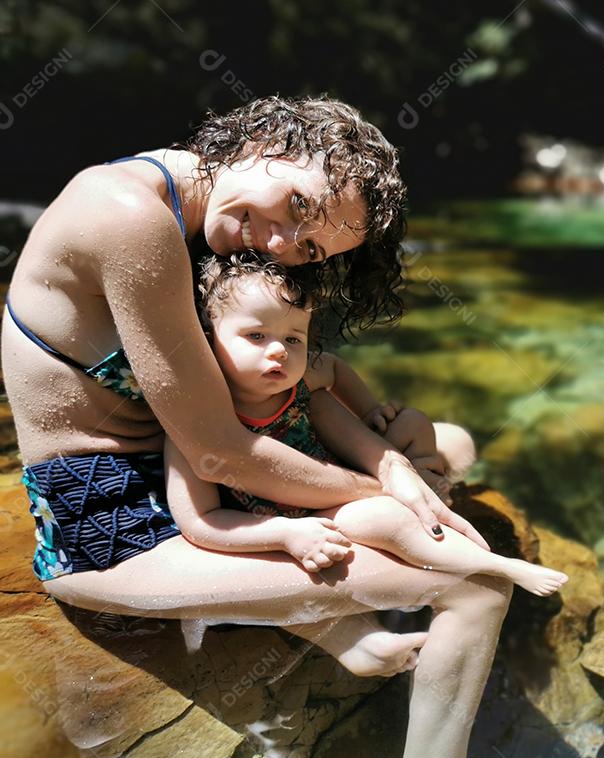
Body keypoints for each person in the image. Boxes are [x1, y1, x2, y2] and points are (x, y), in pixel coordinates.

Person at [1, 95, 514, 758]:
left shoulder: (206, 211)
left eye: (307, 249)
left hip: (211, 483)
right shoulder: (127, 215)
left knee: (449, 442)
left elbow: (280, 396)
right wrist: (391, 487)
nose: (275, 246)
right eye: (300, 207)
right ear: (268, 138)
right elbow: (217, 453)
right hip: (119, 532)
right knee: (476, 585)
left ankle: (344, 634)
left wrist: (390, 459)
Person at [166, 252, 569, 606]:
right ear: (208, 341)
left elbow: (367, 445)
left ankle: (432, 485)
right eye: (256, 336)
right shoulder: (196, 426)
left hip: (340, 486)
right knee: (389, 518)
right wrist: (283, 534)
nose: (279, 351)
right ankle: (497, 565)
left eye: (294, 338)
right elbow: (200, 522)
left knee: (411, 422)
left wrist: (371, 411)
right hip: (308, 519)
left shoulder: (306, 394)